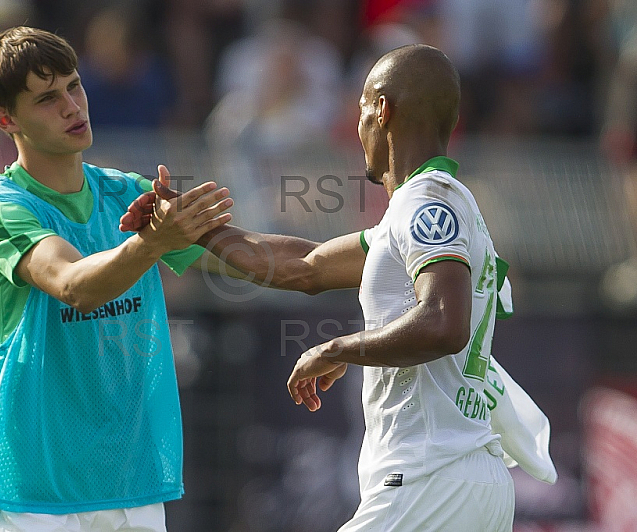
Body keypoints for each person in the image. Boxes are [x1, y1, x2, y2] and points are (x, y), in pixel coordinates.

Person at [123, 44, 528, 531]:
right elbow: (306, 266)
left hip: (428, 479)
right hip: (462, 482)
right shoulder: (430, 209)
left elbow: (443, 321)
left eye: (360, 110)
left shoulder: (427, 204)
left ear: (383, 110)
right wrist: (195, 228)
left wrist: (338, 348)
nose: (357, 129)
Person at [0, 26, 232, 532]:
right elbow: (73, 285)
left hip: (131, 478)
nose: (71, 105)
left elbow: (258, 258)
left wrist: (382, 245)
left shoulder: (125, 192)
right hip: (33, 488)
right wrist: (151, 242)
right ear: (6, 119)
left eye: (73, 86)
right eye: (47, 98)